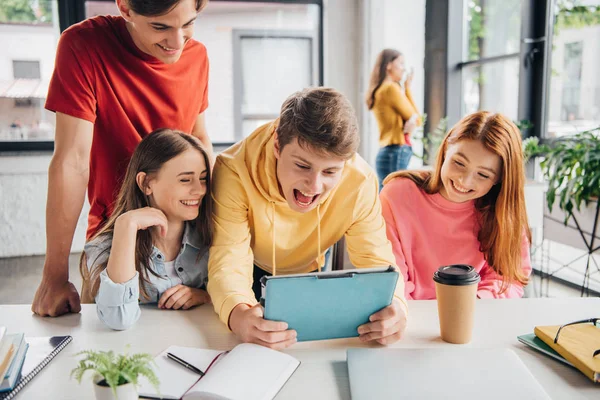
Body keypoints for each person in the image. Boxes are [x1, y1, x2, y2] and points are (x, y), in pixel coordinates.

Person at [33, 0, 213, 317]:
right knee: (111, 339)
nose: (177, 42)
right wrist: (54, 275)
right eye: (160, 27)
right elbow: (71, 162)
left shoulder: (197, 56)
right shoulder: (84, 45)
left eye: (188, 24)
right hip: (114, 236)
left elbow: (198, 140)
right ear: (125, 7)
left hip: (181, 243)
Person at [207, 87, 408, 350]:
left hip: (309, 273)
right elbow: (229, 258)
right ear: (277, 145)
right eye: (302, 166)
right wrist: (238, 316)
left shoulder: (361, 181)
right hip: (249, 269)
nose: (313, 186)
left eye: (330, 171)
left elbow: (377, 260)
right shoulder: (233, 169)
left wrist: (397, 306)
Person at [380, 111, 532, 300]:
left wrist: (469, 304)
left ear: (499, 179)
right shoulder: (398, 194)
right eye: (459, 163)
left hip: (474, 315)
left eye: (483, 175)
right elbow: (392, 279)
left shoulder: (502, 212)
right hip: (410, 315)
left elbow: (508, 280)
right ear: (445, 150)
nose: (465, 181)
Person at [81, 129, 213, 330]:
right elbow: (118, 319)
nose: (199, 190)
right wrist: (126, 226)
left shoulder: (212, 240)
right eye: (185, 180)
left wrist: (205, 296)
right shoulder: (103, 247)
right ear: (146, 183)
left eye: (203, 179)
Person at [366, 49, 421, 190]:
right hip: (396, 151)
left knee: (384, 199)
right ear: (389, 65)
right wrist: (407, 88)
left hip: (387, 151)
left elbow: (414, 120)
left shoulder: (380, 89)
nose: (404, 69)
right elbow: (417, 119)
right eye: (401, 64)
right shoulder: (390, 88)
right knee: (394, 199)